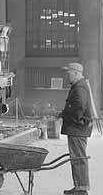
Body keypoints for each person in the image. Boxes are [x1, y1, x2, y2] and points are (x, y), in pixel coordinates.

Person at [59, 62, 92, 195]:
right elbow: (74, 107)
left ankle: (82, 189)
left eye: (69, 73)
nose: (67, 75)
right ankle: (79, 187)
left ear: (76, 73)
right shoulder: (78, 86)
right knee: (76, 158)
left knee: (78, 159)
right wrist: (62, 114)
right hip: (77, 128)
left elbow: (79, 107)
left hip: (77, 129)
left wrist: (74, 121)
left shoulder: (80, 87)